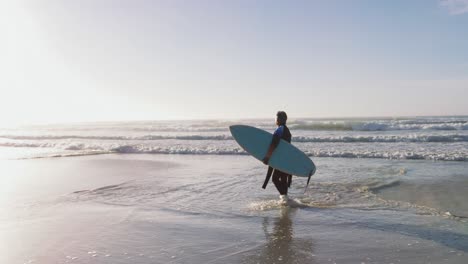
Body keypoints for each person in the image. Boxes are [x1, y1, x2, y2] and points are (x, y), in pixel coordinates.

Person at [262, 111, 292, 204]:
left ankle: (285, 199)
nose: (276, 120)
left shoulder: (280, 129)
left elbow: (274, 144)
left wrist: (268, 157)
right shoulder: (287, 130)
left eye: (277, 118)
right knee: (283, 180)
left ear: (280, 119)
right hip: (286, 159)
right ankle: (286, 200)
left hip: (281, 160)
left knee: (275, 179)